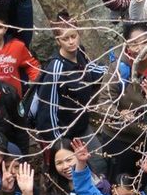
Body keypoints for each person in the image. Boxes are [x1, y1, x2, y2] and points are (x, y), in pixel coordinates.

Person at [33, 17, 107, 150]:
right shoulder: (56, 69)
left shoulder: (80, 53)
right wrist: (59, 143)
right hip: (64, 133)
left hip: (81, 126)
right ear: (58, 41)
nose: (71, 42)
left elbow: (89, 70)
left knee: (99, 162)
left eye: (73, 36)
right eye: (65, 39)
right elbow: (48, 109)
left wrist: (111, 71)